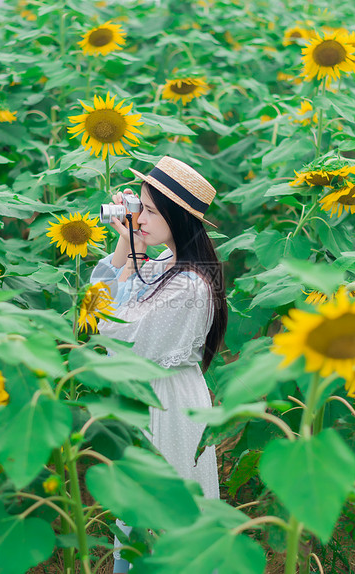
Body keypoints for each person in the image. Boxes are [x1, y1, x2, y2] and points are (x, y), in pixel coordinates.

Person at [89, 156, 228, 574]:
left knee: (160, 515)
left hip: (166, 403)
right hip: (155, 394)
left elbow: (111, 328)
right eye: (141, 207)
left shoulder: (189, 284)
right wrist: (125, 246)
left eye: (150, 210)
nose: (141, 218)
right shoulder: (169, 264)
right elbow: (102, 309)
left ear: (178, 216)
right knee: (142, 510)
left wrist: (132, 254)